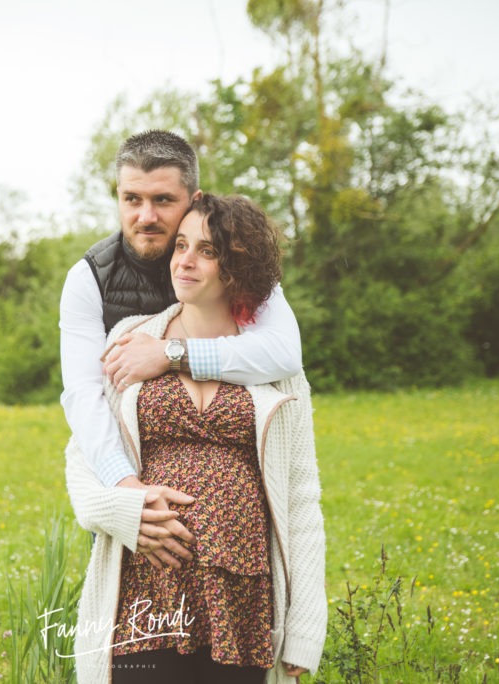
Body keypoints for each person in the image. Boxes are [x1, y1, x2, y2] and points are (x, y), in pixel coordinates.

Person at [65, 194, 326, 682]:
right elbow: (82, 458)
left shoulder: (275, 365)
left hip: (244, 595)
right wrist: (122, 513)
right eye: (181, 245)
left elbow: (302, 494)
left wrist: (306, 623)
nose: (183, 260)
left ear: (237, 267)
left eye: (206, 250)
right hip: (145, 587)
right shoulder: (129, 338)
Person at [59, 130, 304, 565]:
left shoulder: (238, 263)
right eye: (131, 199)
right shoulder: (89, 279)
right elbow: (83, 396)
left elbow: (282, 352)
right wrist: (126, 492)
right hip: (135, 495)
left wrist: (171, 354)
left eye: (163, 200)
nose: (145, 215)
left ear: (194, 197)